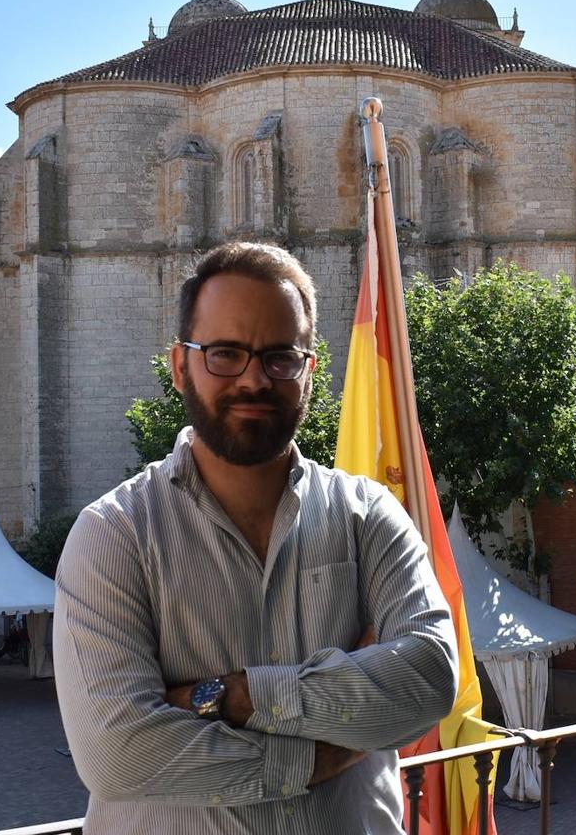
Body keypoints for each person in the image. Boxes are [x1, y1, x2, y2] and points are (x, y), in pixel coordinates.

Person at [53, 242, 459, 834]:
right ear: (179, 365)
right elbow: (118, 754)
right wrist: (327, 745)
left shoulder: (368, 514)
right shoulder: (114, 535)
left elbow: (428, 678)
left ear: (310, 370)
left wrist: (231, 698)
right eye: (224, 353)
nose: (252, 378)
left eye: (279, 357)